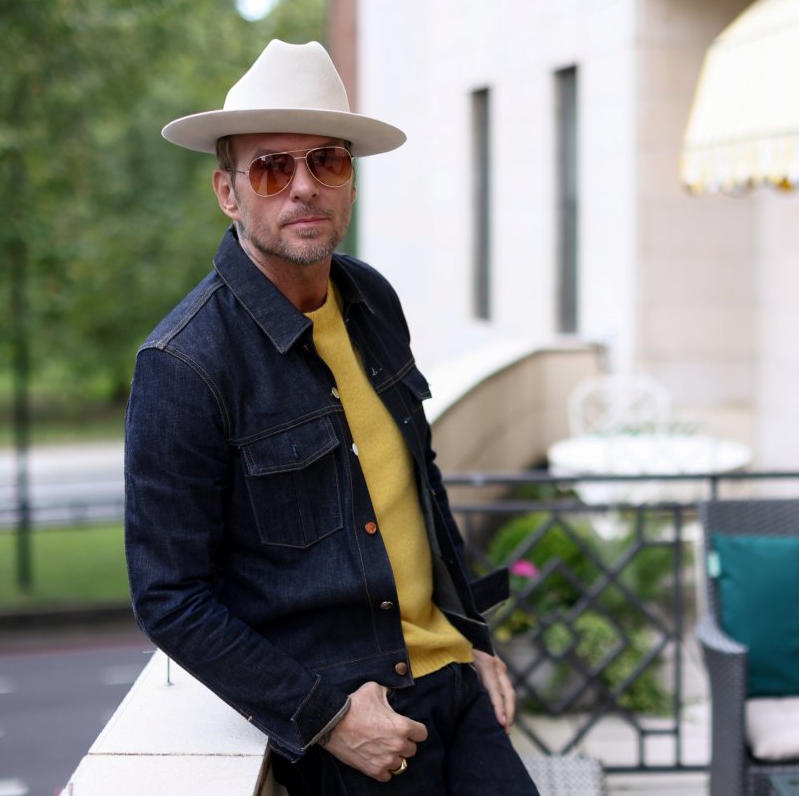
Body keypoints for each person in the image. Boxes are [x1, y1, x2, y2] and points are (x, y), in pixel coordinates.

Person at [124, 39, 539, 795]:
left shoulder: (372, 299)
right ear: (228, 192)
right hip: (351, 721)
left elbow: (420, 479)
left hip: (453, 685)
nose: (303, 188)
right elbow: (169, 598)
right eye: (272, 168)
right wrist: (325, 720)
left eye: (327, 162)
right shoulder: (184, 365)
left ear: (350, 179)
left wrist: (474, 638)